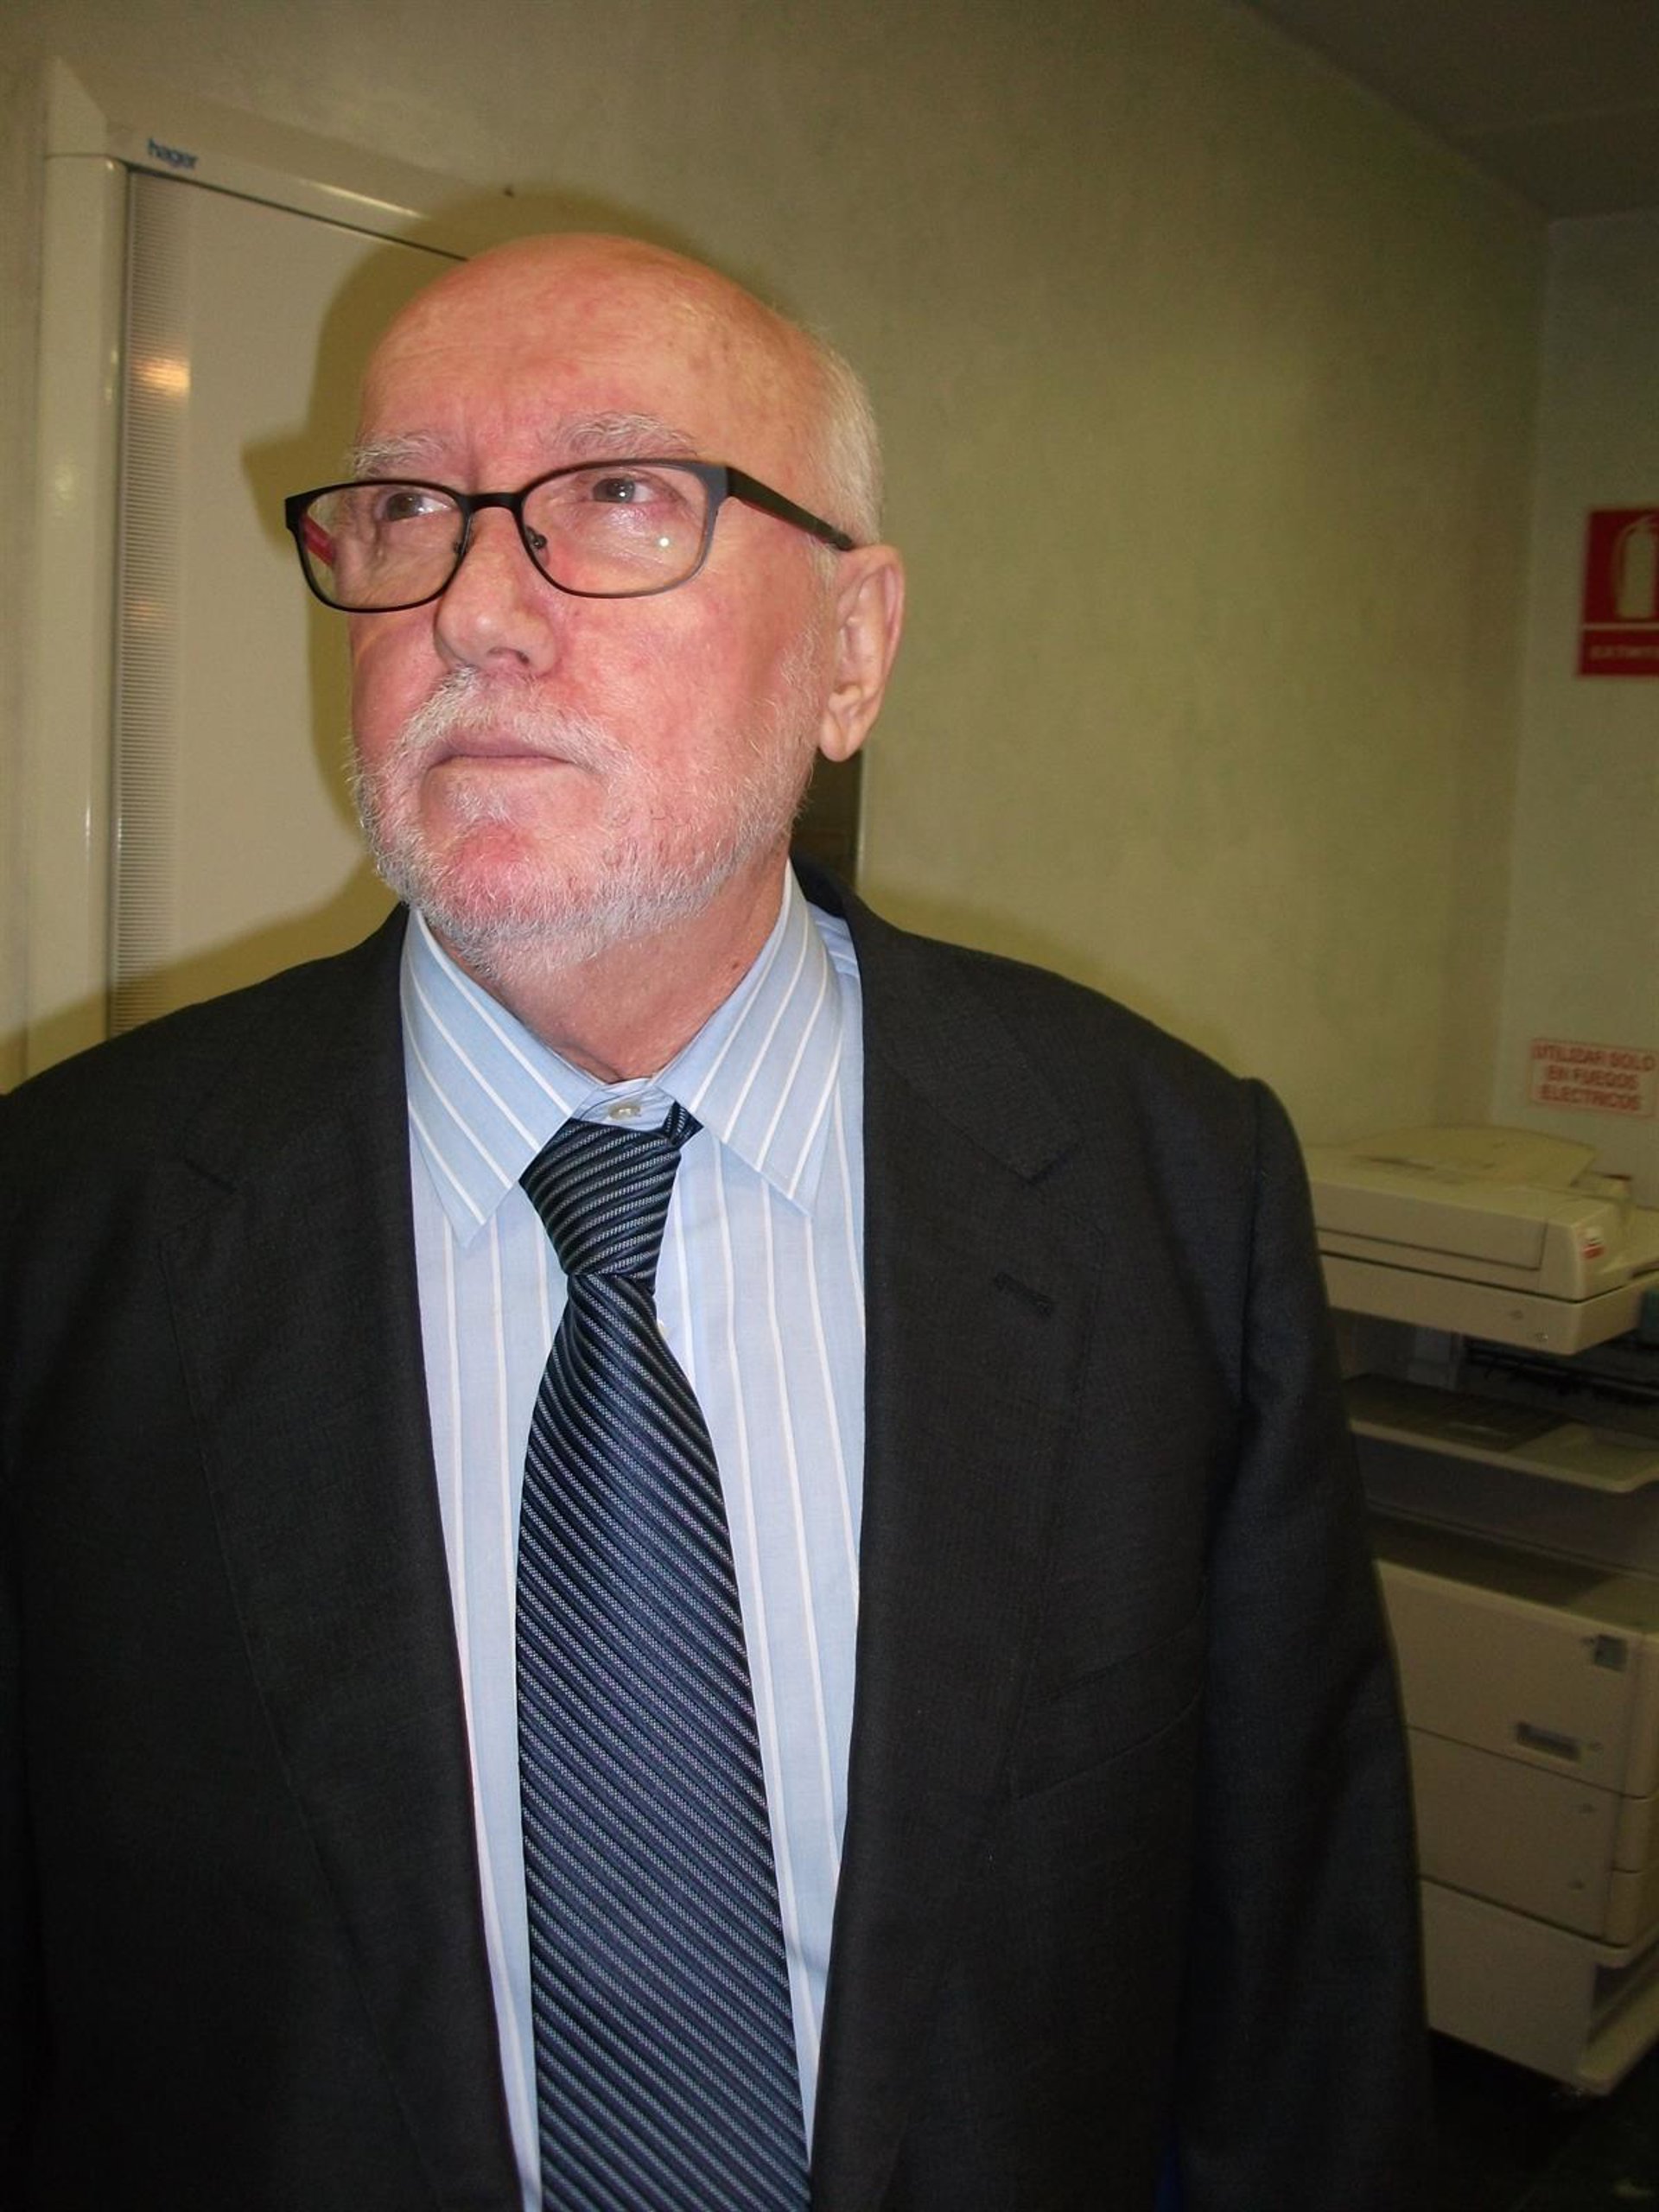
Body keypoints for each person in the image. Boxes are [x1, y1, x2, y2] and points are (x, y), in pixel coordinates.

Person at [0, 232, 1428, 2210]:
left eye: (616, 492)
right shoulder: (62, 1225)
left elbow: (1303, 2004)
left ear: (853, 647)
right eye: (405, 508)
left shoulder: (1170, 1189)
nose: (470, 609)